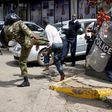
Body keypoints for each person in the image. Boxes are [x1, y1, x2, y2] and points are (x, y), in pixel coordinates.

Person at [1, 11, 49, 87]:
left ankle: (26, 81)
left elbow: (7, 40)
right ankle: (52, 42)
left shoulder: (8, 30)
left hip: (26, 44)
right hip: (31, 40)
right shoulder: (19, 23)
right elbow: (26, 29)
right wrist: (32, 36)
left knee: (22, 62)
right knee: (45, 41)